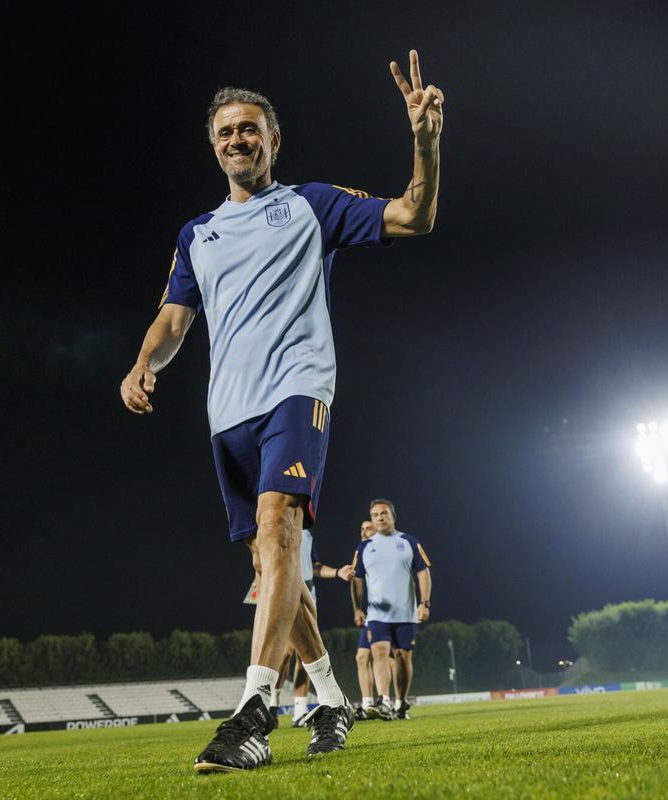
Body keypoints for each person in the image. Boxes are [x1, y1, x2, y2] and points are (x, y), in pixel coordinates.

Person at [119, 50, 443, 773]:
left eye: (250, 129)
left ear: (273, 140)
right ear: (214, 146)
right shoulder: (196, 234)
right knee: (275, 568)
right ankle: (330, 697)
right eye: (226, 132)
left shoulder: (312, 204)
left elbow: (414, 216)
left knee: (279, 529)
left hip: (297, 392)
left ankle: (253, 710)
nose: (238, 139)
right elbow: (173, 320)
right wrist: (143, 364)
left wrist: (425, 140)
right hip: (227, 414)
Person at [351, 498, 432, 721]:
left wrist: (424, 603)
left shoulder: (409, 542)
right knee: (379, 653)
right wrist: (357, 608)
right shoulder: (364, 547)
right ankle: (384, 700)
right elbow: (357, 579)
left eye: (384, 513)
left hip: (405, 614)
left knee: (403, 658)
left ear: (393, 516)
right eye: (375, 515)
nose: (380, 518)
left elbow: (423, 572)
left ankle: (401, 702)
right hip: (377, 615)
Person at [276, 529, 355, 727]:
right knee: (285, 652)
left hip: (308, 591)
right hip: (284, 588)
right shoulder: (278, 523)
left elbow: (314, 567)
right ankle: (271, 705)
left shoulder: (307, 534)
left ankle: (300, 710)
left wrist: (337, 572)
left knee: (305, 652)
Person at [349, 520, 380, 719]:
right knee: (362, 657)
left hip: (394, 612)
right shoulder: (361, 551)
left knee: (391, 657)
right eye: (361, 529)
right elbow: (356, 579)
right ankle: (368, 704)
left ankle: (393, 703)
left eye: (368, 528)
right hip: (373, 612)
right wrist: (358, 608)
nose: (363, 532)